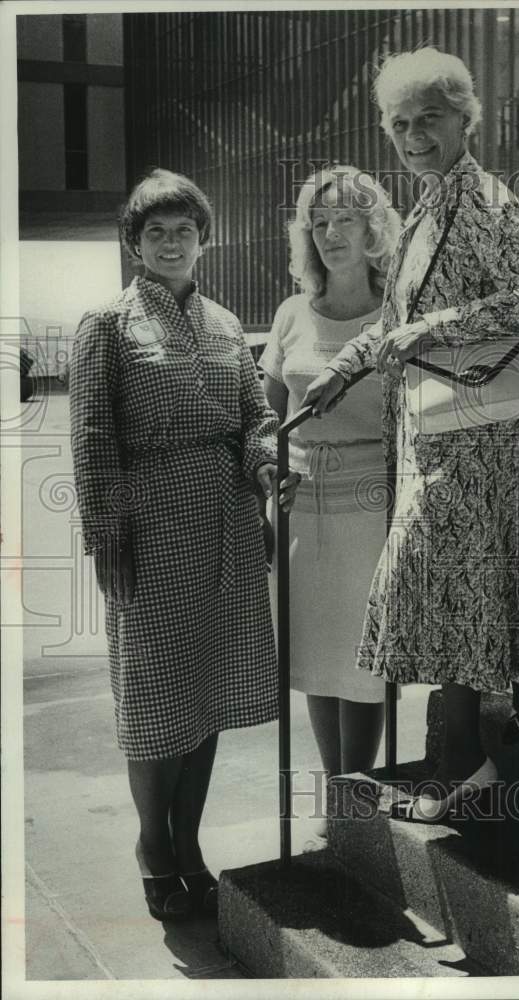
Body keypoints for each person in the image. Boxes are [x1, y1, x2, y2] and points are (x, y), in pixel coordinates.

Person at [303, 48, 519, 821]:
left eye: (429, 119)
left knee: (433, 582)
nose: (413, 135)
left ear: (464, 119)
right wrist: (341, 370)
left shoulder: (484, 198)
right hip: (437, 432)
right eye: (398, 123)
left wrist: (434, 329)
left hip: (474, 435)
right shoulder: (423, 207)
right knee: (455, 585)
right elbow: (390, 325)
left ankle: (465, 763)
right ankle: (505, 713)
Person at [69, 168, 297, 919]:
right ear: (135, 243)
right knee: (154, 698)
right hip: (150, 526)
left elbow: (254, 420)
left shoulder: (230, 324)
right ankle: (152, 846)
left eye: (184, 230)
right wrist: (106, 532)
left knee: (209, 693)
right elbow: (93, 436)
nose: (172, 243)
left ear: (205, 238)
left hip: (228, 524)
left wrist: (268, 470)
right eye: (156, 232)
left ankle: (190, 842)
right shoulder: (106, 323)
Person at [259, 166, 401, 837]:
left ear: (373, 224)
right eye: (318, 221)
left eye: (344, 217)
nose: (330, 232)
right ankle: (336, 796)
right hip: (299, 506)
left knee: (363, 659)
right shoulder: (291, 312)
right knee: (316, 656)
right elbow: (265, 417)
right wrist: (267, 473)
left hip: (373, 508)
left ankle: (354, 795)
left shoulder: (399, 307)